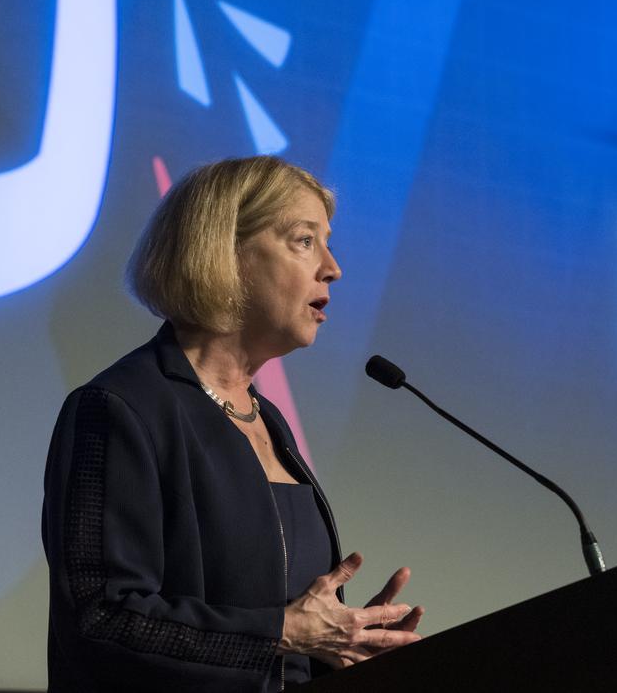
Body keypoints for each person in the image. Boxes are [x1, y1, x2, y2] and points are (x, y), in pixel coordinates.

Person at [42, 156, 423, 691]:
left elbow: (277, 629)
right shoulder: (121, 408)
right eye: (304, 240)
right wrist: (284, 633)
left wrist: (344, 640)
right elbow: (103, 619)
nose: (332, 267)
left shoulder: (269, 423)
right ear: (227, 254)